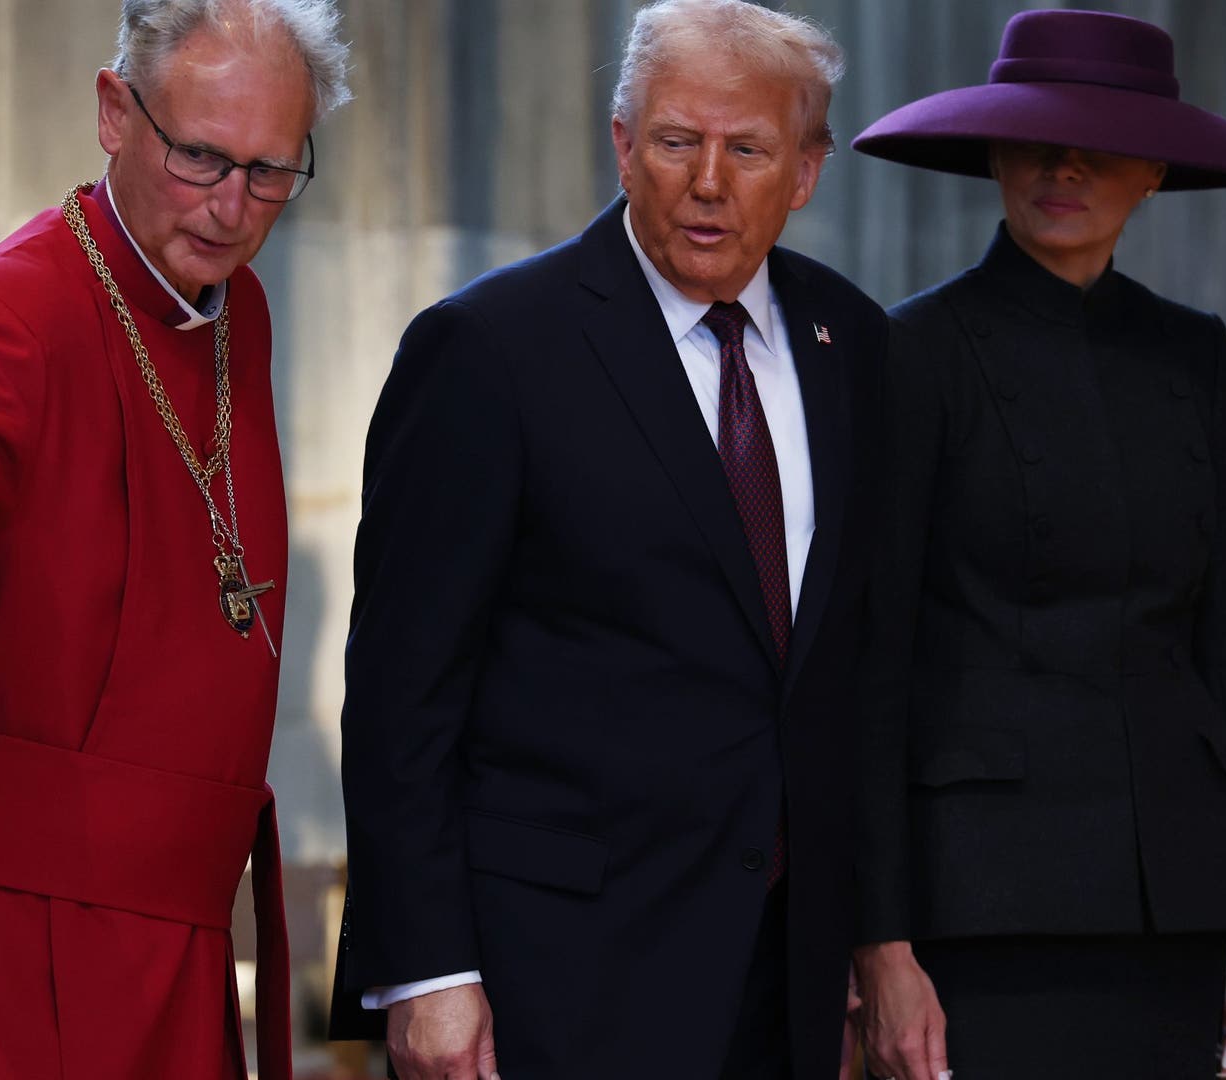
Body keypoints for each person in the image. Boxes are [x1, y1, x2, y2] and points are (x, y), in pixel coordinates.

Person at [0, 2, 350, 1076]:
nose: (233, 208)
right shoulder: (12, 309)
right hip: (3, 951)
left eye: (272, 171)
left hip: (170, 941)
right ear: (113, 113)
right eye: (202, 157)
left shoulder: (238, 312)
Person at [326, 1, 884, 1076]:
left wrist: (866, 932)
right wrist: (429, 972)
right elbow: (403, 695)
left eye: (749, 149)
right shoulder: (488, 351)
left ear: (807, 170)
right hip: (556, 975)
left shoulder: (852, 342)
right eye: (677, 141)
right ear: (622, 143)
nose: (707, 181)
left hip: (789, 979)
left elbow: (842, 669)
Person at [845, 10, 1226, 1080]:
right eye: (1038, 136)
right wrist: (879, 943)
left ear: (1153, 172)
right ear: (995, 152)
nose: (1065, 166)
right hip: (980, 904)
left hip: (1173, 899)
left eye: (1100, 145)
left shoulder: (1197, 355)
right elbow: (871, 667)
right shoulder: (913, 350)